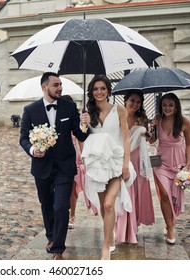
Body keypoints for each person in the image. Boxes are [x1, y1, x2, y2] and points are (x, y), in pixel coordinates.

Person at [19, 72, 90, 260]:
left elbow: (81, 135)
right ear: (44, 87)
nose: (60, 88)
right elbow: (23, 138)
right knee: (47, 205)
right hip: (41, 166)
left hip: (65, 166)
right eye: (55, 85)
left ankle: (58, 248)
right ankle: (51, 236)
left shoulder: (70, 107)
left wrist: (85, 125)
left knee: (61, 206)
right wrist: (33, 150)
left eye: (60, 84)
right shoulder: (30, 110)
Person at [81, 74, 136, 260]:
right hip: (98, 165)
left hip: (115, 163)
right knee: (105, 209)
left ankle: (105, 247)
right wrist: (84, 124)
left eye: (102, 88)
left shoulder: (119, 109)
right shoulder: (88, 112)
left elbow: (126, 137)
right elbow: (83, 139)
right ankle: (109, 234)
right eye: (95, 89)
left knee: (109, 203)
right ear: (91, 91)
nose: (99, 92)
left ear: (108, 91)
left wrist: (126, 164)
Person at [149, 92, 190, 244]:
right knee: (165, 195)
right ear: (161, 106)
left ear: (176, 107)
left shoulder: (185, 122)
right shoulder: (158, 120)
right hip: (160, 163)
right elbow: (151, 140)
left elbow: (189, 144)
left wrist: (187, 165)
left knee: (176, 198)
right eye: (164, 105)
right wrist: (152, 126)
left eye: (170, 105)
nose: (167, 108)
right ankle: (170, 228)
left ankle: (170, 221)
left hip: (179, 164)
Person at [115, 90, 155, 244]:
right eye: (132, 100)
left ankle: (132, 227)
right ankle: (120, 227)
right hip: (122, 158)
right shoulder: (118, 115)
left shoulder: (142, 119)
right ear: (125, 100)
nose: (135, 104)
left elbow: (150, 139)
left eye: (138, 102)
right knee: (121, 192)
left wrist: (151, 130)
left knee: (135, 193)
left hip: (137, 159)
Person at [59, 95, 86, 229]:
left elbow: (80, 140)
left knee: (72, 191)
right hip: (59, 158)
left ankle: (72, 216)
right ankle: (61, 214)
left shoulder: (74, 122)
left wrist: (84, 157)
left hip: (73, 158)